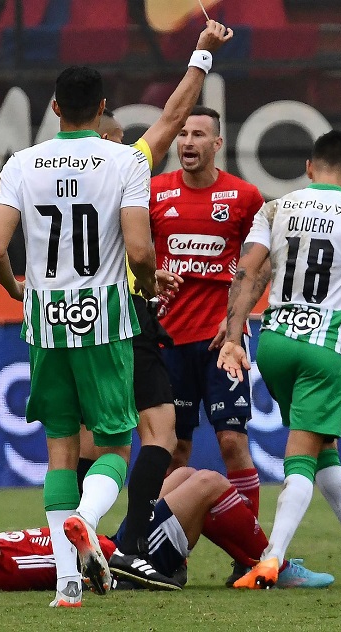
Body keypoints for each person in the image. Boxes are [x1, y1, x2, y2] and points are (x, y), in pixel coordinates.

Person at [0, 65, 172, 606]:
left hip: (45, 320)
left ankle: (67, 584)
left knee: (61, 451)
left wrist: (17, 289)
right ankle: (88, 522)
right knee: (114, 442)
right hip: (106, 320)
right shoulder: (126, 160)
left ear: (55, 107)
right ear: (104, 105)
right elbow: (138, 250)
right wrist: (152, 276)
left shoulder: (22, 163)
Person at [73, 20, 234, 587]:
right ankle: (128, 543)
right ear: (108, 127)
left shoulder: (36, 166)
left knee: (84, 440)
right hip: (127, 313)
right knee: (159, 437)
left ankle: (78, 551)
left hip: (64, 319)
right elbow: (169, 116)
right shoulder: (124, 163)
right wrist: (203, 52)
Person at [218, 130, 341, 589]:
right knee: (301, 456)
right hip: (324, 347)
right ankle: (272, 558)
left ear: (308, 167)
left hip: (274, 343)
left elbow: (249, 269)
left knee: (321, 447)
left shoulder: (275, 208)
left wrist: (234, 334)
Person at [148, 104, 266, 584]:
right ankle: (166, 554)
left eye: (199, 134)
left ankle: (251, 553)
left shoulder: (244, 196)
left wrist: (236, 325)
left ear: (218, 143)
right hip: (167, 342)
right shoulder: (154, 193)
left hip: (222, 345)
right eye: (183, 134)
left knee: (233, 442)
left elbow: (261, 269)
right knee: (173, 451)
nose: (188, 142)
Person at [0, 472, 333, 592]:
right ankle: (272, 563)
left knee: (182, 473)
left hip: (114, 544)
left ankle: (251, 562)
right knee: (210, 485)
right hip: (130, 566)